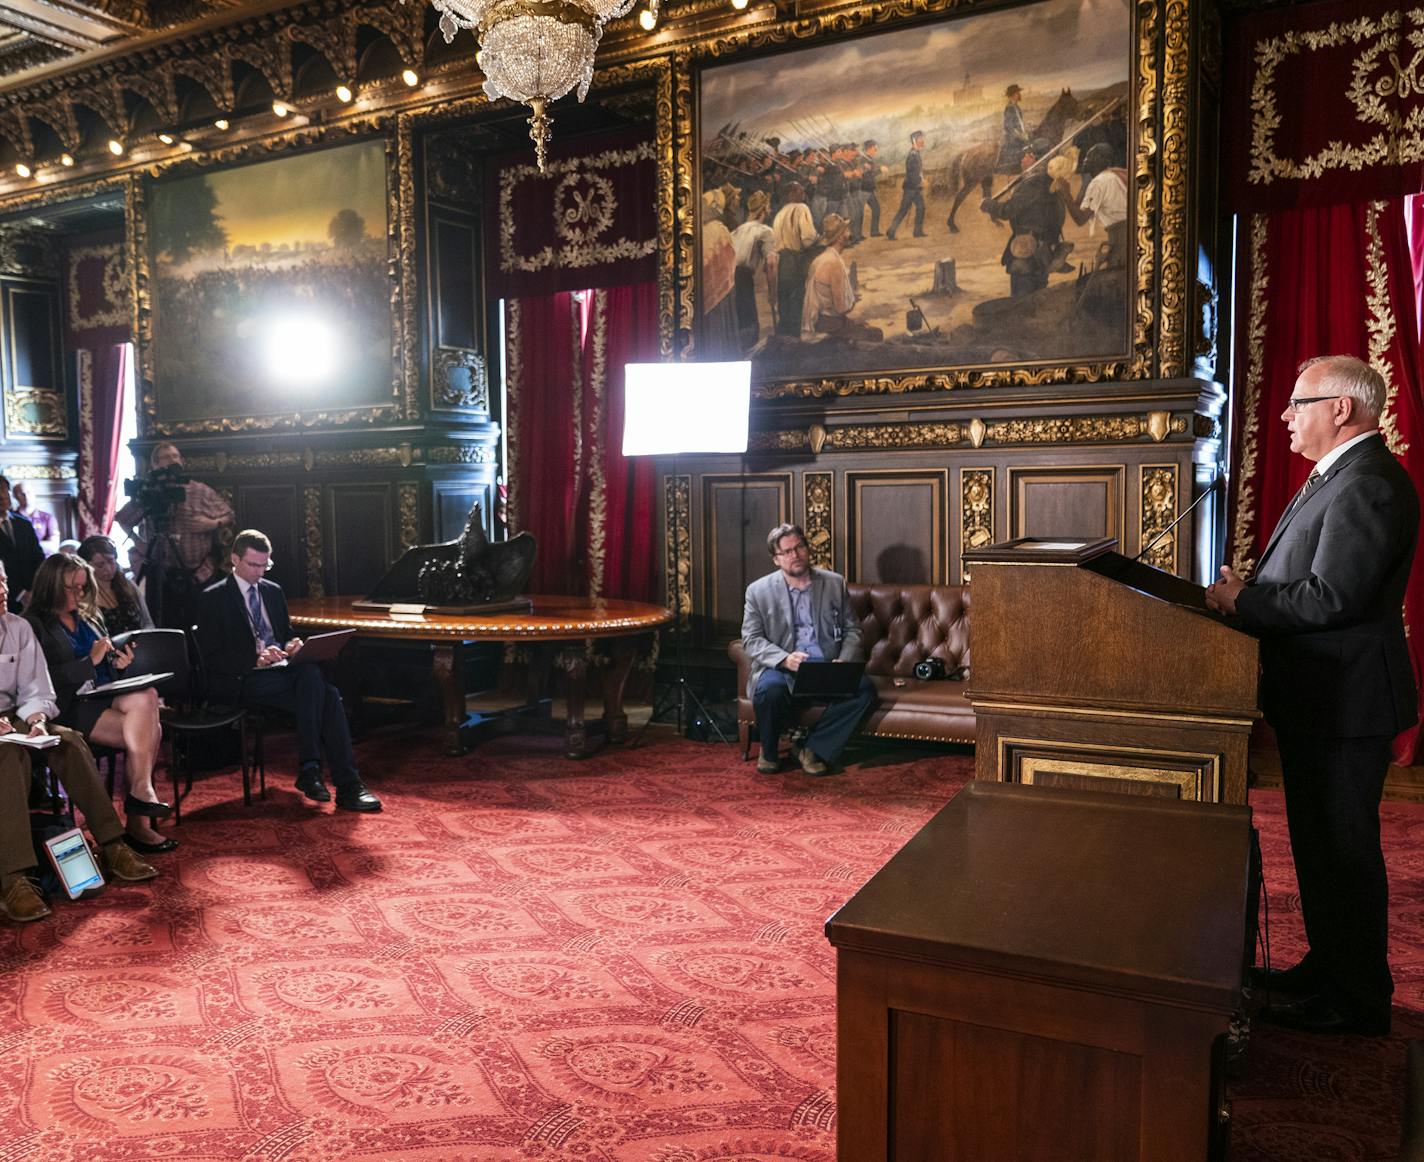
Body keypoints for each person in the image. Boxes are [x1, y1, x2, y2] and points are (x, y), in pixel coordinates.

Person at [1206, 355, 1418, 1037]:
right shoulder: (1338, 477)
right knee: (1320, 847)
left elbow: (1333, 597)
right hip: (1321, 699)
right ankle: (1327, 968)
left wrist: (1245, 600)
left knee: (1344, 852)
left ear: (1342, 409)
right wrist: (1254, 596)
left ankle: (1357, 1000)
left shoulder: (1368, 484)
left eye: (1299, 402)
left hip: (1346, 703)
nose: (1287, 415)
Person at [0, 562, 157, 921]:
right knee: (9, 755)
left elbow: (38, 689)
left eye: (5, 581)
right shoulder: (37, 621)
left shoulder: (18, 627)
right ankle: (14, 878)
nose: (3, 591)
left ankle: (112, 844)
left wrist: (38, 720)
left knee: (68, 741)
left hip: (21, 714)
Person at [197, 529, 381, 813]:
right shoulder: (214, 597)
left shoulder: (273, 592)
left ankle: (315, 771)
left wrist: (292, 645)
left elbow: (285, 635)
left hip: (281, 674)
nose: (259, 572)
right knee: (326, 693)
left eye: (264, 565)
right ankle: (345, 784)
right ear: (235, 559)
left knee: (314, 680)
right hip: (242, 679)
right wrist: (255, 659)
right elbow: (210, 656)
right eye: (253, 565)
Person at [26, 554, 174, 853]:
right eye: (72, 588)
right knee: (150, 730)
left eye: (82, 588)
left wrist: (119, 665)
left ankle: (139, 797)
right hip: (68, 705)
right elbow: (42, 680)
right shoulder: (34, 624)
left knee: (147, 696)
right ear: (52, 586)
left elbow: (103, 667)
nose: (79, 595)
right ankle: (138, 821)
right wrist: (88, 663)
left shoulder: (89, 617)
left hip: (102, 697)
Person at [740, 523, 876, 776]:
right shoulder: (758, 592)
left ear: (807, 548)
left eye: (799, 547)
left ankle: (811, 748)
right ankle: (769, 752)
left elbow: (853, 630)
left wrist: (844, 661)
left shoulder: (834, 583)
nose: (796, 555)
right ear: (776, 559)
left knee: (865, 690)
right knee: (770, 690)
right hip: (783, 667)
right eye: (787, 551)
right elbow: (751, 639)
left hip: (825, 666)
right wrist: (783, 659)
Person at [115, 442, 235, 629]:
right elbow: (122, 518)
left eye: (176, 456)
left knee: (202, 625)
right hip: (162, 576)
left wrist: (210, 523)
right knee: (165, 626)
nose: (172, 461)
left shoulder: (198, 490)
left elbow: (229, 515)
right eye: (166, 457)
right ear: (154, 465)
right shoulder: (149, 492)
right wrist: (139, 543)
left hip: (199, 574)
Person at [983, 138, 1066, 297]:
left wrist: (990, 206)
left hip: (1027, 248)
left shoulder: (1033, 182)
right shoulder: (1048, 181)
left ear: (1034, 158)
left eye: (1026, 155)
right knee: (1037, 296)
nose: (1022, 159)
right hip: (1043, 248)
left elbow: (1008, 210)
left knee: (1021, 299)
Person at [801, 214, 883, 343]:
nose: (850, 233)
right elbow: (841, 309)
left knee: (864, 327)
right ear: (839, 237)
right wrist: (853, 301)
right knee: (876, 334)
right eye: (847, 231)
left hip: (823, 321)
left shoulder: (820, 259)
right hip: (831, 326)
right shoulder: (834, 263)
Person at [1054, 142, 1129, 270]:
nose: (1084, 160)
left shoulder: (1099, 182)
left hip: (1121, 235)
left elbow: (1080, 219)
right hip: (1123, 233)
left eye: (1089, 156)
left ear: (1100, 160)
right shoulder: (1110, 177)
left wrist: (1066, 194)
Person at [78, 535, 155, 637]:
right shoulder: (84, 595)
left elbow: (147, 622)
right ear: (87, 566)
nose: (108, 568)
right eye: (100, 565)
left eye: (111, 561)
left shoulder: (128, 585)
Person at [730, 190, 777, 352]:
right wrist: (773, 292)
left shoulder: (737, 230)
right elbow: (771, 263)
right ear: (764, 210)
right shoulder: (765, 231)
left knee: (740, 320)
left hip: (729, 278)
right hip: (743, 278)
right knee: (749, 324)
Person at [771, 182, 819, 339]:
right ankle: (794, 341)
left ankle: (784, 339)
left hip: (780, 262)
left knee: (784, 303)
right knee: (797, 301)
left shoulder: (779, 214)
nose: (803, 194)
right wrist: (818, 239)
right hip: (795, 259)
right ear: (791, 194)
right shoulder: (801, 208)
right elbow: (808, 239)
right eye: (800, 191)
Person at [0, 476, 44, 613]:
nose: (3, 497)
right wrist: (21, 594)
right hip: (6, 602)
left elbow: (38, 559)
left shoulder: (23, 523)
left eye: (5, 491)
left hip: (35, 598)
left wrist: (36, 590)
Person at [885, 130, 926, 241]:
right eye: (920, 139)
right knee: (903, 210)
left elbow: (918, 172)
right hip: (910, 188)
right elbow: (912, 174)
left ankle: (917, 232)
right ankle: (891, 231)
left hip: (915, 188)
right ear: (914, 141)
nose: (922, 141)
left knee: (921, 208)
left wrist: (921, 180)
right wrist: (920, 182)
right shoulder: (912, 155)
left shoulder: (916, 153)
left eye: (922, 138)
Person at [12, 482, 59, 555]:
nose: (26, 496)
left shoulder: (48, 518)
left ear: (34, 494)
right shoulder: (10, 519)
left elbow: (53, 546)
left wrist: (26, 547)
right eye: (21, 494)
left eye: (29, 492)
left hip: (44, 563)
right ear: (15, 497)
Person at [996, 83, 1030, 175]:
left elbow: (1019, 123)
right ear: (1013, 94)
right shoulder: (1009, 108)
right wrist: (1020, 135)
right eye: (1018, 93)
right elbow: (1008, 126)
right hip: (1012, 137)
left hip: (1020, 135)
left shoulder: (1017, 107)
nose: (1019, 95)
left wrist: (1024, 132)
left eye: (1019, 93)